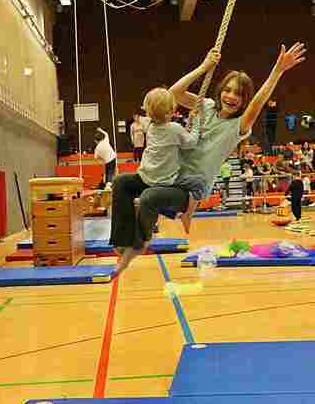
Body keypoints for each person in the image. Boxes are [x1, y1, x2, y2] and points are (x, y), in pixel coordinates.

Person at [110, 42, 306, 274]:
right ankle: (121, 240)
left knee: (149, 198)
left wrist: (278, 70)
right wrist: (204, 67)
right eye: (228, 90)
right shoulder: (207, 106)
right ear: (220, 90)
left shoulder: (239, 126)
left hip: (188, 188)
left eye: (239, 94)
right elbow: (173, 94)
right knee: (121, 182)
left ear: (244, 100)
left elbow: (259, 102)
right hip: (168, 176)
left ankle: (140, 242)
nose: (231, 96)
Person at [136, 87, 204, 235]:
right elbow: (191, 142)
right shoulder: (174, 128)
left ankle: (173, 213)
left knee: (156, 197)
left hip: (146, 176)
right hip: (165, 179)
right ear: (171, 112)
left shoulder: (149, 127)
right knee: (199, 184)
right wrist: (196, 123)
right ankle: (188, 214)